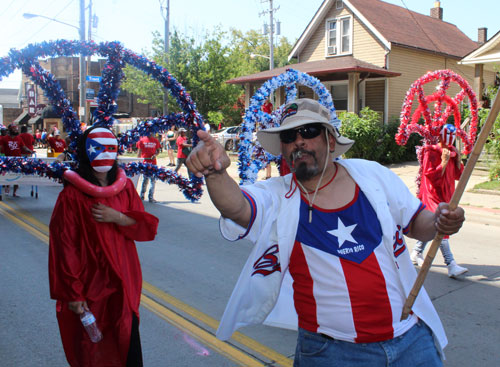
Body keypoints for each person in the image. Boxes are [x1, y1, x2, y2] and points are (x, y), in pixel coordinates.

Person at [187, 98, 466, 366]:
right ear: (283, 149)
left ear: (330, 140)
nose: (299, 140)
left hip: (411, 341)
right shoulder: (276, 195)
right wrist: (216, 173)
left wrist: (441, 221)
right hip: (331, 353)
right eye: (288, 136)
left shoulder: (372, 175)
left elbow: (418, 223)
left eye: (309, 131)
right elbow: (236, 207)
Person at [49, 126, 159, 367]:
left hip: (123, 279)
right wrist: (73, 293)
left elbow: (143, 228)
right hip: (91, 284)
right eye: (98, 149)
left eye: (110, 148)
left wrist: (116, 217)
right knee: (94, 349)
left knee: (127, 339)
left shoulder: (125, 187)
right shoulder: (72, 197)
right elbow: (65, 247)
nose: (104, 154)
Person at [410, 124, 468, 278]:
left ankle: (416, 252)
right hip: (432, 194)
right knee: (441, 228)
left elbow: (458, 176)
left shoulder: (452, 153)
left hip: (447, 195)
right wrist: (443, 162)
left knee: (437, 227)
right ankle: (451, 264)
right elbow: (430, 177)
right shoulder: (431, 151)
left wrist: (457, 162)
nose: (451, 139)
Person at [0, 124, 34, 196]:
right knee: (8, 175)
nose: (16, 130)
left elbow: (24, 147)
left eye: (16, 129)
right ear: (10, 130)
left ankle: (15, 192)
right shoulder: (4, 138)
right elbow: (0, 147)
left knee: (17, 176)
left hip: (18, 159)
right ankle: (7, 187)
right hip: (8, 160)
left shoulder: (19, 138)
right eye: (14, 129)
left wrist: (30, 151)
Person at [136, 132, 161, 203]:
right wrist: (138, 161)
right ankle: (142, 195)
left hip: (153, 163)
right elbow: (139, 151)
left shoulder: (155, 140)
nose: (151, 133)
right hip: (145, 163)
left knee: (153, 180)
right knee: (145, 180)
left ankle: (151, 197)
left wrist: (155, 155)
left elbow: (158, 150)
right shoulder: (142, 140)